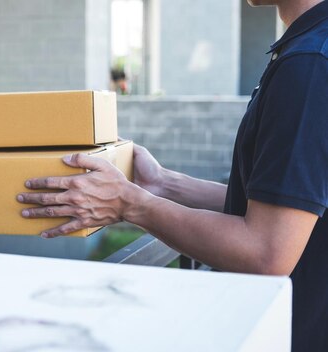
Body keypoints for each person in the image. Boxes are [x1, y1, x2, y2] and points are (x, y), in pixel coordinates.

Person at [18, 1, 328, 351]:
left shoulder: (310, 63)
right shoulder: (307, 48)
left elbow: (266, 254)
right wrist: (163, 185)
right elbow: (285, 205)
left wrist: (130, 204)